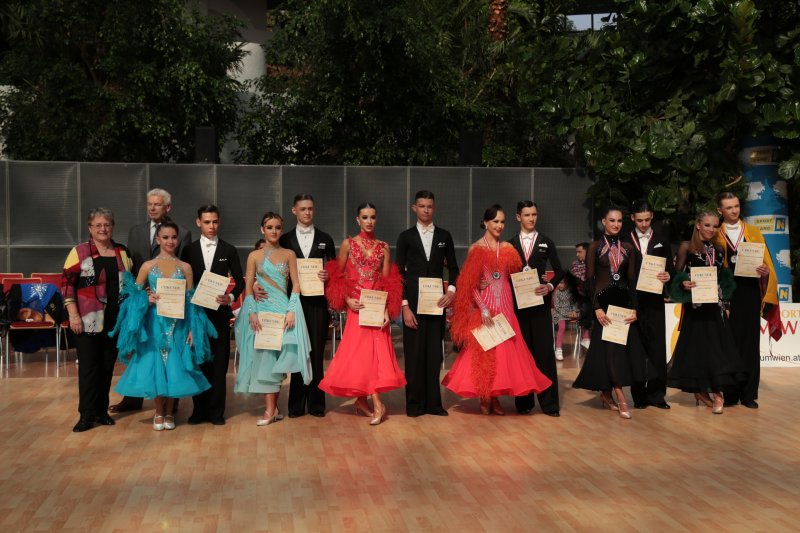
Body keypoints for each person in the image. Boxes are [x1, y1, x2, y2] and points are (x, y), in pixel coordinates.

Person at [443, 204, 552, 415]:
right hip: (486, 307)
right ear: (485, 222)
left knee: (503, 355)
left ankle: (495, 397)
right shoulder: (476, 248)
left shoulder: (508, 248)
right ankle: (485, 396)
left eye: (502, 221)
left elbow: (515, 278)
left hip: (506, 307)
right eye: (495, 221)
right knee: (485, 353)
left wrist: (540, 283)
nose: (499, 225)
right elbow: (470, 285)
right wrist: (483, 309)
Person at [110, 221, 217, 431]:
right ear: (157, 240)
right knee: (157, 366)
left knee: (174, 367)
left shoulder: (185, 268)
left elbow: (192, 301)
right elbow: (133, 295)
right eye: (165, 237)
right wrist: (146, 299)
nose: (170, 241)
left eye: (174, 237)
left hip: (178, 324)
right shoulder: (147, 266)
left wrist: (193, 328)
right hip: (154, 324)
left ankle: (170, 412)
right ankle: (159, 411)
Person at [319, 202, 405, 425]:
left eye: (372, 217)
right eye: (365, 217)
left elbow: (387, 281)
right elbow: (336, 276)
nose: (369, 221)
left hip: (376, 307)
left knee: (375, 356)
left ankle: (363, 401)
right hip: (357, 308)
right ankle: (377, 404)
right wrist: (347, 300)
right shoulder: (348, 244)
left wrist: (386, 310)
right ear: (357, 220)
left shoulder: (383, 247)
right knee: (362, 355)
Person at [110, 188, 192, 413]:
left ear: (168, 207)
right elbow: (132, 268)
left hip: (172, 303)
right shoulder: (136, 231)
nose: (152, 208)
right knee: (144, 353)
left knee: (171, 354)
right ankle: (133, 399)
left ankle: (171, 403)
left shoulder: (183, 233)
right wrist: (141, 296)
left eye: (157, 204)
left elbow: (182, 267)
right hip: (146, 303)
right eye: (149, 204)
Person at [572, 206, 653, 419]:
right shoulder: (595, 247)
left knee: (621, 353)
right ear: (604, 222)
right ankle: (621, 397)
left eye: (619, 221)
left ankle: (607, 394)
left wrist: (634, 308)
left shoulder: (628, 248)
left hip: (623, 308)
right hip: (603, 308)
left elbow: (632, 281)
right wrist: (597, 308)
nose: (616, 224)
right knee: (609, 352)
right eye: (612, 220)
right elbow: (589, 281)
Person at [234, 212, 312, 426]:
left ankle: (273, 409)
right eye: (269, 227)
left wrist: (291, 310)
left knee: (279, 361)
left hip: (283, 311)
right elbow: (248, 287)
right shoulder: (254, 256)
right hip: (262, 312)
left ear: (282, 229)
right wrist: (251, 312)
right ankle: (271, 409)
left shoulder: (289, 254)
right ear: (262, 229)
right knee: (265, 359)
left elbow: (296, 284)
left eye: (277, 227)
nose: (274, 231)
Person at [62, 208, 133, 432]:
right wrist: (73, 314)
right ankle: (86, 414)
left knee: (106, 366)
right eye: (98, 225)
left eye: (107, 224)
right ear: (90, 228)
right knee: (88, 368)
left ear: (113, 226)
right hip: (86, 320)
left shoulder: (122, 251)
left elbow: (130, 284)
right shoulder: (79, 251)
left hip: (114, 321)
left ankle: (101, 411)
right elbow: (67, 285)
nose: (103, 229)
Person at [667, 211, 744, 414]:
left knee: (718, 350)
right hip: (695, 307)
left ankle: (717, 393)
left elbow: (724, 277)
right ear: (698, 225)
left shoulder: (719, 249)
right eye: (708, 225)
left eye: (715, 226)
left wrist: (725, 302)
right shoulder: (686, 247)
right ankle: (702, 391)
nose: (712, 229)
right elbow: (676, 276)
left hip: (715, 307)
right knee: (698, 351)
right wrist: (683, 284)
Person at [396, 190, 459, 417]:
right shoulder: (405, 237)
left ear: (434, 208)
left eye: (429, 206)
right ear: (414, 208)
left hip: (436, 305)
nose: (425, 210)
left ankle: (434, 404)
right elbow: (398, 274)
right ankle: (414, 405)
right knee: (414, 356)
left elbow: (454, 268)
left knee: (434, 355)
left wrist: (451, 291)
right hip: (413, 306)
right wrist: (404, 306)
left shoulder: (445, 236)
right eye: (421, 206)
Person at [180, 205, 245, 425]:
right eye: (207, 222)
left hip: (219, 315)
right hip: (196, 315)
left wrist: (230, 297)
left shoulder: (229, 249)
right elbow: (183, 281)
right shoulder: (188, 250)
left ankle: (217, 411)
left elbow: (240, 280)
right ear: (198, 222)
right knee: (199, 362)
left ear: (220, 222)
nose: (211, 226)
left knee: (219, 363)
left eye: (215, 221)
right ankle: (199, 410)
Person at [713, 191, 778, 409]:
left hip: (749, 293)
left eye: (736, 206)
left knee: (750, 343)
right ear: (720, 210)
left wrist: (764, 270)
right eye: (729, 207)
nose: (734, 211)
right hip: (726, 295)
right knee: (729, 343)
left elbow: (767, 265)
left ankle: (749, 393)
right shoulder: (715, 234)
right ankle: (730, 393)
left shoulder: (753, 232)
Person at [279, 194, 336, 418]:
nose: (307, 212)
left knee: (316, 353)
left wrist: (327, 275)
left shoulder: (325, 238)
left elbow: (334, 272)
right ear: (294, 210)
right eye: (303, 209)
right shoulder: (285, 239)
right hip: (294, 303)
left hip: (318, 304)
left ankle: (317, 404)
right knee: (296, 352)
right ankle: (295, 405)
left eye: (310, 208)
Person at [507, 200, 564, 417]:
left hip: (540, 305)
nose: (531, 218)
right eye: (527, 215)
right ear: (518, 217)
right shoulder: (509, 244)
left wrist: (549, 286)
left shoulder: (546, 242)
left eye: (534, 215)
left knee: (544, 354)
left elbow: (560, 271)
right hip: (518, 307)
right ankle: (523, 402)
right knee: (522, 353)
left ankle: (550, 404)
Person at [623, 200, 673, 410]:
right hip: (631, 301)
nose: (643, 224)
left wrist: (668, 276)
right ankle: (638, 396)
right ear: (632, 218)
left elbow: (671, 269)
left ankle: (657, 394)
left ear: (652, 216)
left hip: (654, 300)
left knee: (657, 347)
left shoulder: (661, 240)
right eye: (639, 220)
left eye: (647, 220)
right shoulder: (625, 239)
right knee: (636, 348)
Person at [552, 277, 580, 360]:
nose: (559, 285)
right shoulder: (556, 293)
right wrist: (567, 314)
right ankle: (558, 349)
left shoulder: (571, 292)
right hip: (559, 313)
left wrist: (574, 311)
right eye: (558, 283)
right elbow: (557, 307)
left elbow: (574, 304)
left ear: (566, 284)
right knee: (562, 327)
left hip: (570, 312)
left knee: (583, 318)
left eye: (561, 283)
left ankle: (586, 340)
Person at [570, 242, 592, 349]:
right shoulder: (575, 264)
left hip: (594, 293)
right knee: (585, 305)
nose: (577, 254)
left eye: (579, 252)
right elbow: (578, 278)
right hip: (582, 295)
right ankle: (586, 338)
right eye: (576, 252)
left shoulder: (594, 262)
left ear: (587, 252)